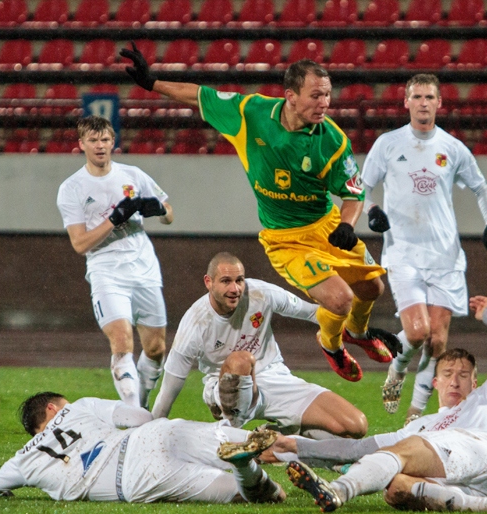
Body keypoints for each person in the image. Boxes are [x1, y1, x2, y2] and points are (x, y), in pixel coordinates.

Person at [120, 43, 400, 383]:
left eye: (327, 95)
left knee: (373, 288)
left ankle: (357, 332)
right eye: (315, 95)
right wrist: (152, 83)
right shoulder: (251, 113)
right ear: (291, 96)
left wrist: (345, 223)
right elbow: (200, 96)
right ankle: (331, 344)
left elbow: (352, 193)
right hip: (285, 239)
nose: (324, 103)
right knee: (340, 300)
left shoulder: (332, 140)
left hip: (325, 225)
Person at [223, 296, 487, 514]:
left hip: (477, 454)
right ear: (435, 383)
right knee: (395, 488)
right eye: (448, 374)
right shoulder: (422, 425)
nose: (456, 381)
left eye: (464, 375)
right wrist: (289, 444)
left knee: (402, 451)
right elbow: (357, 449)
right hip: (454, 478)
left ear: (475, 383)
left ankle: (339, 490)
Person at [360, 73, 487, 423]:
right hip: (404, 253)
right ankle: (398, 365)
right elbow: (361, 187)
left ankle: (416, 412)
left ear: (439, 103)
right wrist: (372, 210)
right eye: (417, 97)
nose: (423, 103)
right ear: (406, 102)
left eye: (429, 97)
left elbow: (481, 188)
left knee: (437, 341)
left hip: (446, 257)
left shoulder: (452, 148)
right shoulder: (389, 144)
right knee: (418, 332)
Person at [151, 252, 368, 439]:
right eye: (226, 281)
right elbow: (169, 389)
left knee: (354, 427)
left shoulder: (261, 293)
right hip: (223, 388)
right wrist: (151, 433)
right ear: (208, 282)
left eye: (239, 280)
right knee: (241, 361)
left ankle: (274, 437)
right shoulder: (196, 322)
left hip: (275, 378)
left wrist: (357, 331)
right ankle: (232, 433)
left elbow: (314, 313)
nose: (235, 288)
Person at [0, 392, 285, 504]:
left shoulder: (22, 461)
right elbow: (141, 416)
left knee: (264, 497)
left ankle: (243, 467)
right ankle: (321, 454)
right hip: (152, 436)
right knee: (257, 442)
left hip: (135, 479)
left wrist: (2, 491)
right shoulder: (80, 407)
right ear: (52, 407)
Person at [56, 116, 174, 409]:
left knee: (157, 348)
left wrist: (157, 208)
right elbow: (79, 243)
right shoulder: (72, 188)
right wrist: (114, 219)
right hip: (107, 271)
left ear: (113, 142)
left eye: (105, 140)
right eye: (93, 141)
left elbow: (170, 213)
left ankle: (141, 406)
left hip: (144, 269)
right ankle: (133, 412)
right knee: (122, 342)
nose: (100, 146)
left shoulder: (132, 174)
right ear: (81, 144)